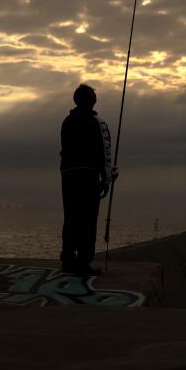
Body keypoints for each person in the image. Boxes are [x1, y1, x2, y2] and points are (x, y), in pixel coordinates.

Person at [59, 83, 118, 275]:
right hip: (88, 176)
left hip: (68, 175)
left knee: (71, 217)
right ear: (92, 101)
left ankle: (68, 260)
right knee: (88, 219)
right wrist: (107, 179)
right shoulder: (97, 123)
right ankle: (83, 262)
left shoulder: (67, 121)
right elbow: (104, 154)